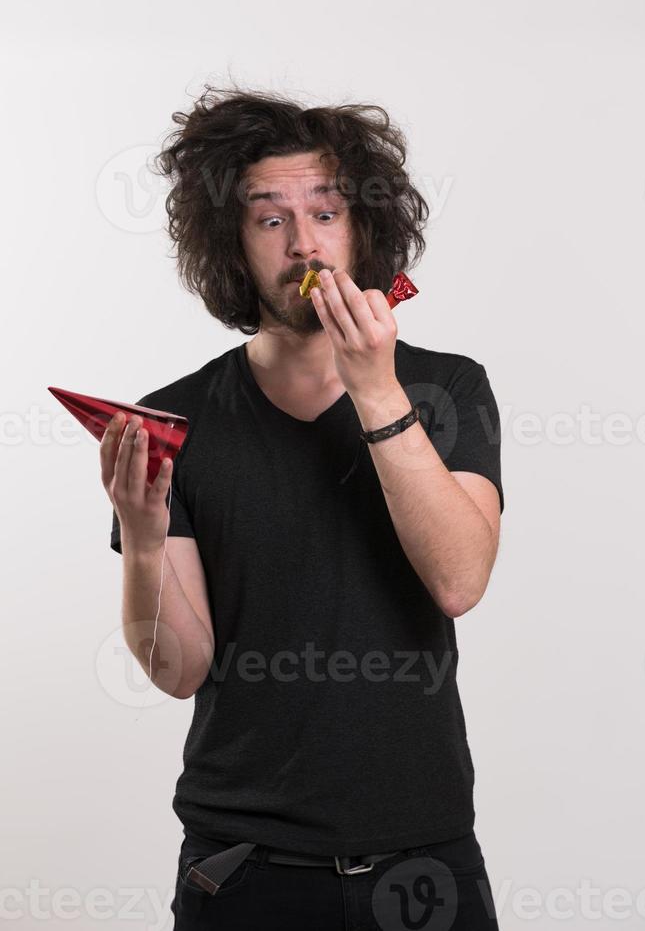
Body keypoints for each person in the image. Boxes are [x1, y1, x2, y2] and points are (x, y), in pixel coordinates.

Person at [101, 84, 504, 930]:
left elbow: (460, 581)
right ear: (232, 246)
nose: (303, 243)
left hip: (425, 862)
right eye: (269, 219)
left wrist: (375, 391)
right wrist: (142, 542)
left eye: (325, 212)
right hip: (243, 869)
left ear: (364, 229)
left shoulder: (448, 390)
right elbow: (178, 671)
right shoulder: (175, 422)